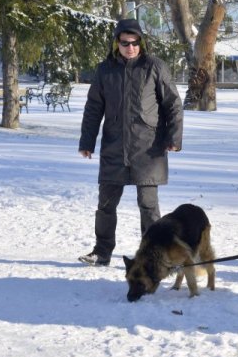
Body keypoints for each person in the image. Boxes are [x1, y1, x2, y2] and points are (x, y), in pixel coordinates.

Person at [78, 19, 184, 266]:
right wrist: (87, 141)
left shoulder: (154, 67)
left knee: (148, 207)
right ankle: (102, 252)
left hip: (148, 150)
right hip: (114, 148)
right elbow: (94, 108)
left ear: (141, 43)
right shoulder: (105, 70)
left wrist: (174, 137)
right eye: (125, 43)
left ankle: (154, 255)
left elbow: (173, 104)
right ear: (117, 43)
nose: (130, 47)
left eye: (135, 43)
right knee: (105, 205)